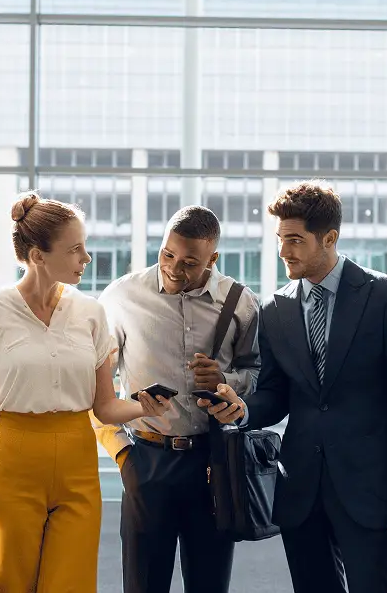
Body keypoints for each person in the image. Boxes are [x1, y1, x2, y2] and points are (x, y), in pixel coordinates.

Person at [200, 181, 387, 593]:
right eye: (279, 239)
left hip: (372, 491)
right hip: (301, 490)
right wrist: (244, 409)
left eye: (294, 240)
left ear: (329, 238)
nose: (283, 251)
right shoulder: (276, 308)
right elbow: (277, 394)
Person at [0, 191, 170, 593]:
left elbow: (103, 407)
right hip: (15, 456)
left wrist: (142, 406)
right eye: (75, 250)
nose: (86, 259)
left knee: (70, 584)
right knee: (10, 583)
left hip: (78, 461)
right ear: (37, 255)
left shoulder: (91, 313)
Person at [93, 205, 261, 593]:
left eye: (189, 262)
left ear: (212, 259)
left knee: (209, 584)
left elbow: (255, 374)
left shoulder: (241, 303)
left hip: (214, 464)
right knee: (143, 585)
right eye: (168, 254)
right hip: (146, 460)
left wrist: (226, 379)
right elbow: (95, 388)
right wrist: (122, 455)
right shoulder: (121, 297)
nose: (173, 268)